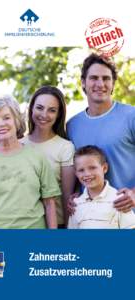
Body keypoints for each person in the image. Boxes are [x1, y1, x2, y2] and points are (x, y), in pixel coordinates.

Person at [0, 95, 61, 229]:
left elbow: (49, 203)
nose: (1, 124)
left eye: (6, 118)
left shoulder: (36, 156)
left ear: (17, 120)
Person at [67, 53, 135, 212]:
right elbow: (79, 168)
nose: (100, 83)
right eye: (94, 78)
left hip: (128, 217)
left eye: (106, 78)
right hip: (91, 219)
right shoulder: (72, 125)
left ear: (113, 83)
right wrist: (74, 195)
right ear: (83, 82)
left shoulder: (131, 117)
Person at [22, 86, 75, 228]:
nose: (44, 114)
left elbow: (66, 195)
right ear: (31, 109)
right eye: (39, 108)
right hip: (27, 225)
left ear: (58, 114)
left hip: (57, 225)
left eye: (52, 110)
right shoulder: (18, 145)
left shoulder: (65, 147)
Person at [68, 145, 135, 229]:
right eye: (81, 170)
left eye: (92, 168)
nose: (87, 174)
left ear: (105, 168)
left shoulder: (120, 200)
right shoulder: (75, 204)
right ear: (76, 173)